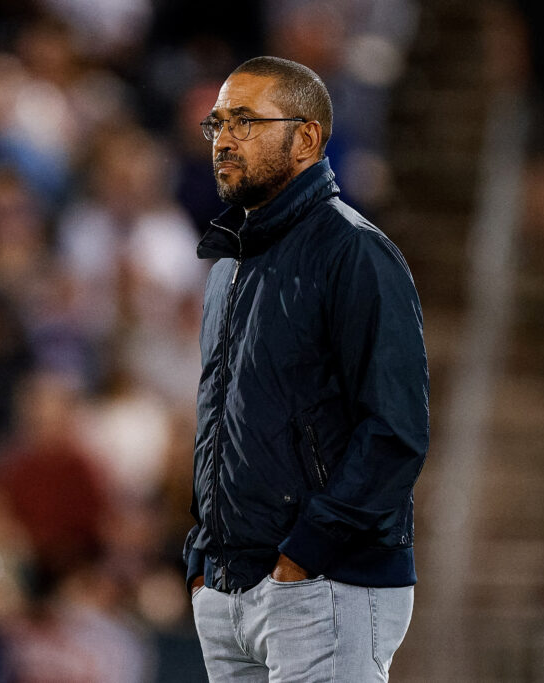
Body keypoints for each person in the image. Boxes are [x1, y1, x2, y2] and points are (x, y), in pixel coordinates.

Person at [183, 56, 429, 681]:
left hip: (325, 584)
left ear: (307, 137)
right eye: (218, 124)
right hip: (230, 587)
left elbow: (395, 433)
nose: (225, 139)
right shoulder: (227, 268)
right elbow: (218, 426)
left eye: (245, 120)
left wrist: (306, 553)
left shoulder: (356, 253)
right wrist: (202, 557)